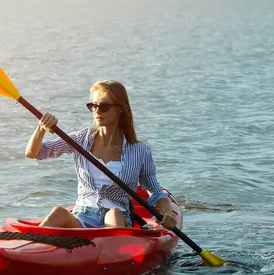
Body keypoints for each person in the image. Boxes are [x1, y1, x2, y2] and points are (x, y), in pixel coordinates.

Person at [25, 80, 177, 230]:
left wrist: (167, 212)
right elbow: (34, 153)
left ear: (120, 109)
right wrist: (41, 129)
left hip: (118, 219)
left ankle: (114, 250)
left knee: (113, 214)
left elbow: (155, 191)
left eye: (104, 106)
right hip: (82, 217)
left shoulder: (140, 151)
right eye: (93, 106)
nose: (97, 111)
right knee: (58, 212)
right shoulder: (81, 139)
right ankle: (31, 248)